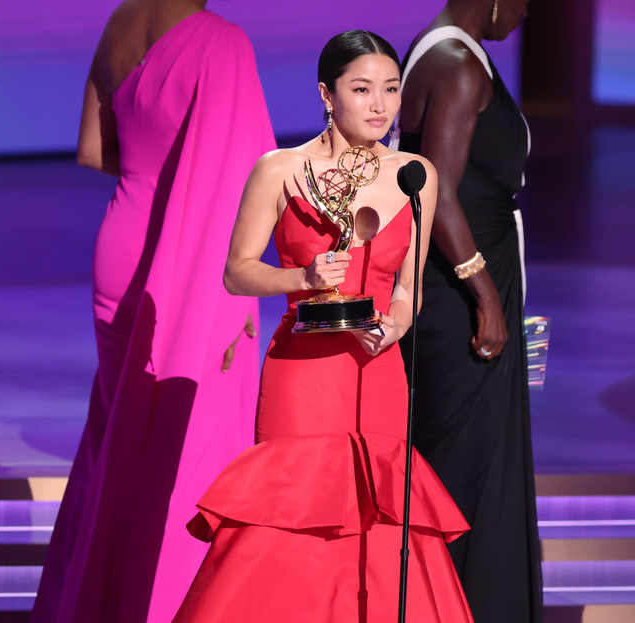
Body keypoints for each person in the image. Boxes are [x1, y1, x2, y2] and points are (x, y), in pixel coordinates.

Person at [170, 30, 474, 622]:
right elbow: (237, 272)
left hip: (377, 372)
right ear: (327, 95)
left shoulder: (416, 175)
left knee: (379, 522)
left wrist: (392, 329)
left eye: (391, 90)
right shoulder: (279, 169)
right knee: (289, 518)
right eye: (362, 90)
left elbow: (410, 288)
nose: (380, 105)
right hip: (302, 375)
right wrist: (303, 278)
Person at [31, 1, 276, 621]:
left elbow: (92, 149)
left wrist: (152, 169)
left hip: (121, 243)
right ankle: (172, 603)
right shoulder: (224, 42)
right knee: (184, 429)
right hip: (193, 254)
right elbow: (255, 179)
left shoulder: (120, 22)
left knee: (121, 432)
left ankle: (100, 597)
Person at [392, 1, 543, 620]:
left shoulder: (445, 49)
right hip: (459, 298)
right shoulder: (457, 62)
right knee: (465, 472)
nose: (527, 13)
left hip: (462, 284)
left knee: (471, 463)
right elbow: (438, 191)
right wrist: (485, 297)